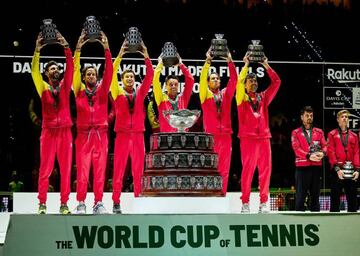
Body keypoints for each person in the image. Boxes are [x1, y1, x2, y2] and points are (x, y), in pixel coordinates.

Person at [31, 32, 73, 214]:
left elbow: (71, 67)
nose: (55, 70)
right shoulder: (43, 88)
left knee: (65, 170)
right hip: (48, 133)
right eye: (52, 69)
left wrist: (66, 47)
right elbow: (33, 70)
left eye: (57, 68)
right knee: (45, 170)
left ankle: (64, 204)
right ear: (46, 73)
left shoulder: (65, 86)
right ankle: (42, 203)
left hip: (65, 132)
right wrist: (37, 49)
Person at [110, 39, 154, 213]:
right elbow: (111, 74)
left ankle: (138, 199)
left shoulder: (140, 93)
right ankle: (115, 201)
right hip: (121, 135)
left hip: (137, 135)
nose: (129, 78)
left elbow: (149, 76)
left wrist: (145, 56)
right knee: (119, 170)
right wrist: (120, 55)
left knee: (138, 170)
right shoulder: (116, 92)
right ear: (122, 79)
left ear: (135, 80)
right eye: (126, 76)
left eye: (132, 77)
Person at [73, 30, 113, 214]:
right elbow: (74, 69)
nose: (91, 76)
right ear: (83, 77)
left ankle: (98, 202)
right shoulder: (78, 91)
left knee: (99, 171)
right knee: (82, 171)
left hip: (100, 135)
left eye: (93, 74)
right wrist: (78, 48)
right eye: (88, 74)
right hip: (83, 136)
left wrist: (106, 48)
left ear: (97, 77)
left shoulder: (103, 91)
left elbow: (109, 71)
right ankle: (81, 202)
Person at [236, 53, 281, 213]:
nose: (254, 83)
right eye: (251, 81)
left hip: (264, 138)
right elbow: (238, 82)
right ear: (246, 84)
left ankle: (263, 203)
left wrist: (266, 65)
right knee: (247, 172)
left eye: (255, 81)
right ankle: (245, 203)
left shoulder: (263, 97)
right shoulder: (241, 98)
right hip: (248, 139)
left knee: (265, 171)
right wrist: (246, 65)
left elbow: (276, 82)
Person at [199, 47, 237, 195]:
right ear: (208, 83)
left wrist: (229, 60)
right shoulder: (205, 95)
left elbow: (234, 79)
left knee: (224, 168)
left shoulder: (226, 94)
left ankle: (222, 195)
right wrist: (208, 61)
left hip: (226, 136)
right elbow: (201, 79)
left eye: (218, 78)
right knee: (209, 167)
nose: (216, 80)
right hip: (211, 137)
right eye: (213, 78)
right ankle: (209, 195)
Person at [291, 106, 327, 212]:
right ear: (302, 117)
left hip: (316, 168)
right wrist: (308, 156)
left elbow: (325, 146)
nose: (309, 117)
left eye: (311, 115)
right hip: (302, 168)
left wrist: (322, 153)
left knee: (315, 197)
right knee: (300, 197)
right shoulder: (296, 132)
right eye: (307, 115)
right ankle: (299, 222)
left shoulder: (319, 132)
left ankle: (316, 221)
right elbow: (296, 148)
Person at [327, 109, 359, 212]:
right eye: (342, 117)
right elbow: (331, 152)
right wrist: (337, 168)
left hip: (351, 171)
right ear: (338, 120)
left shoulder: (354, 136)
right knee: (335, 200)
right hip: (338, 171)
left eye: (346, 117)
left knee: (352, 200)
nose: (345, 118)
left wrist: (357, 170)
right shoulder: (332, 134)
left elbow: (357, 153)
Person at [153, 54, 194, 132]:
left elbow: (190, 80)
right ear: (166, 86)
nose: (173, 86)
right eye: (171, 85)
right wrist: (160, 64)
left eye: (176, 84)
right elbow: (155, 80)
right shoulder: (161, 98)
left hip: (182, 136)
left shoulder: (183, 98)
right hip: (166, 137)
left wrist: (181, 64)